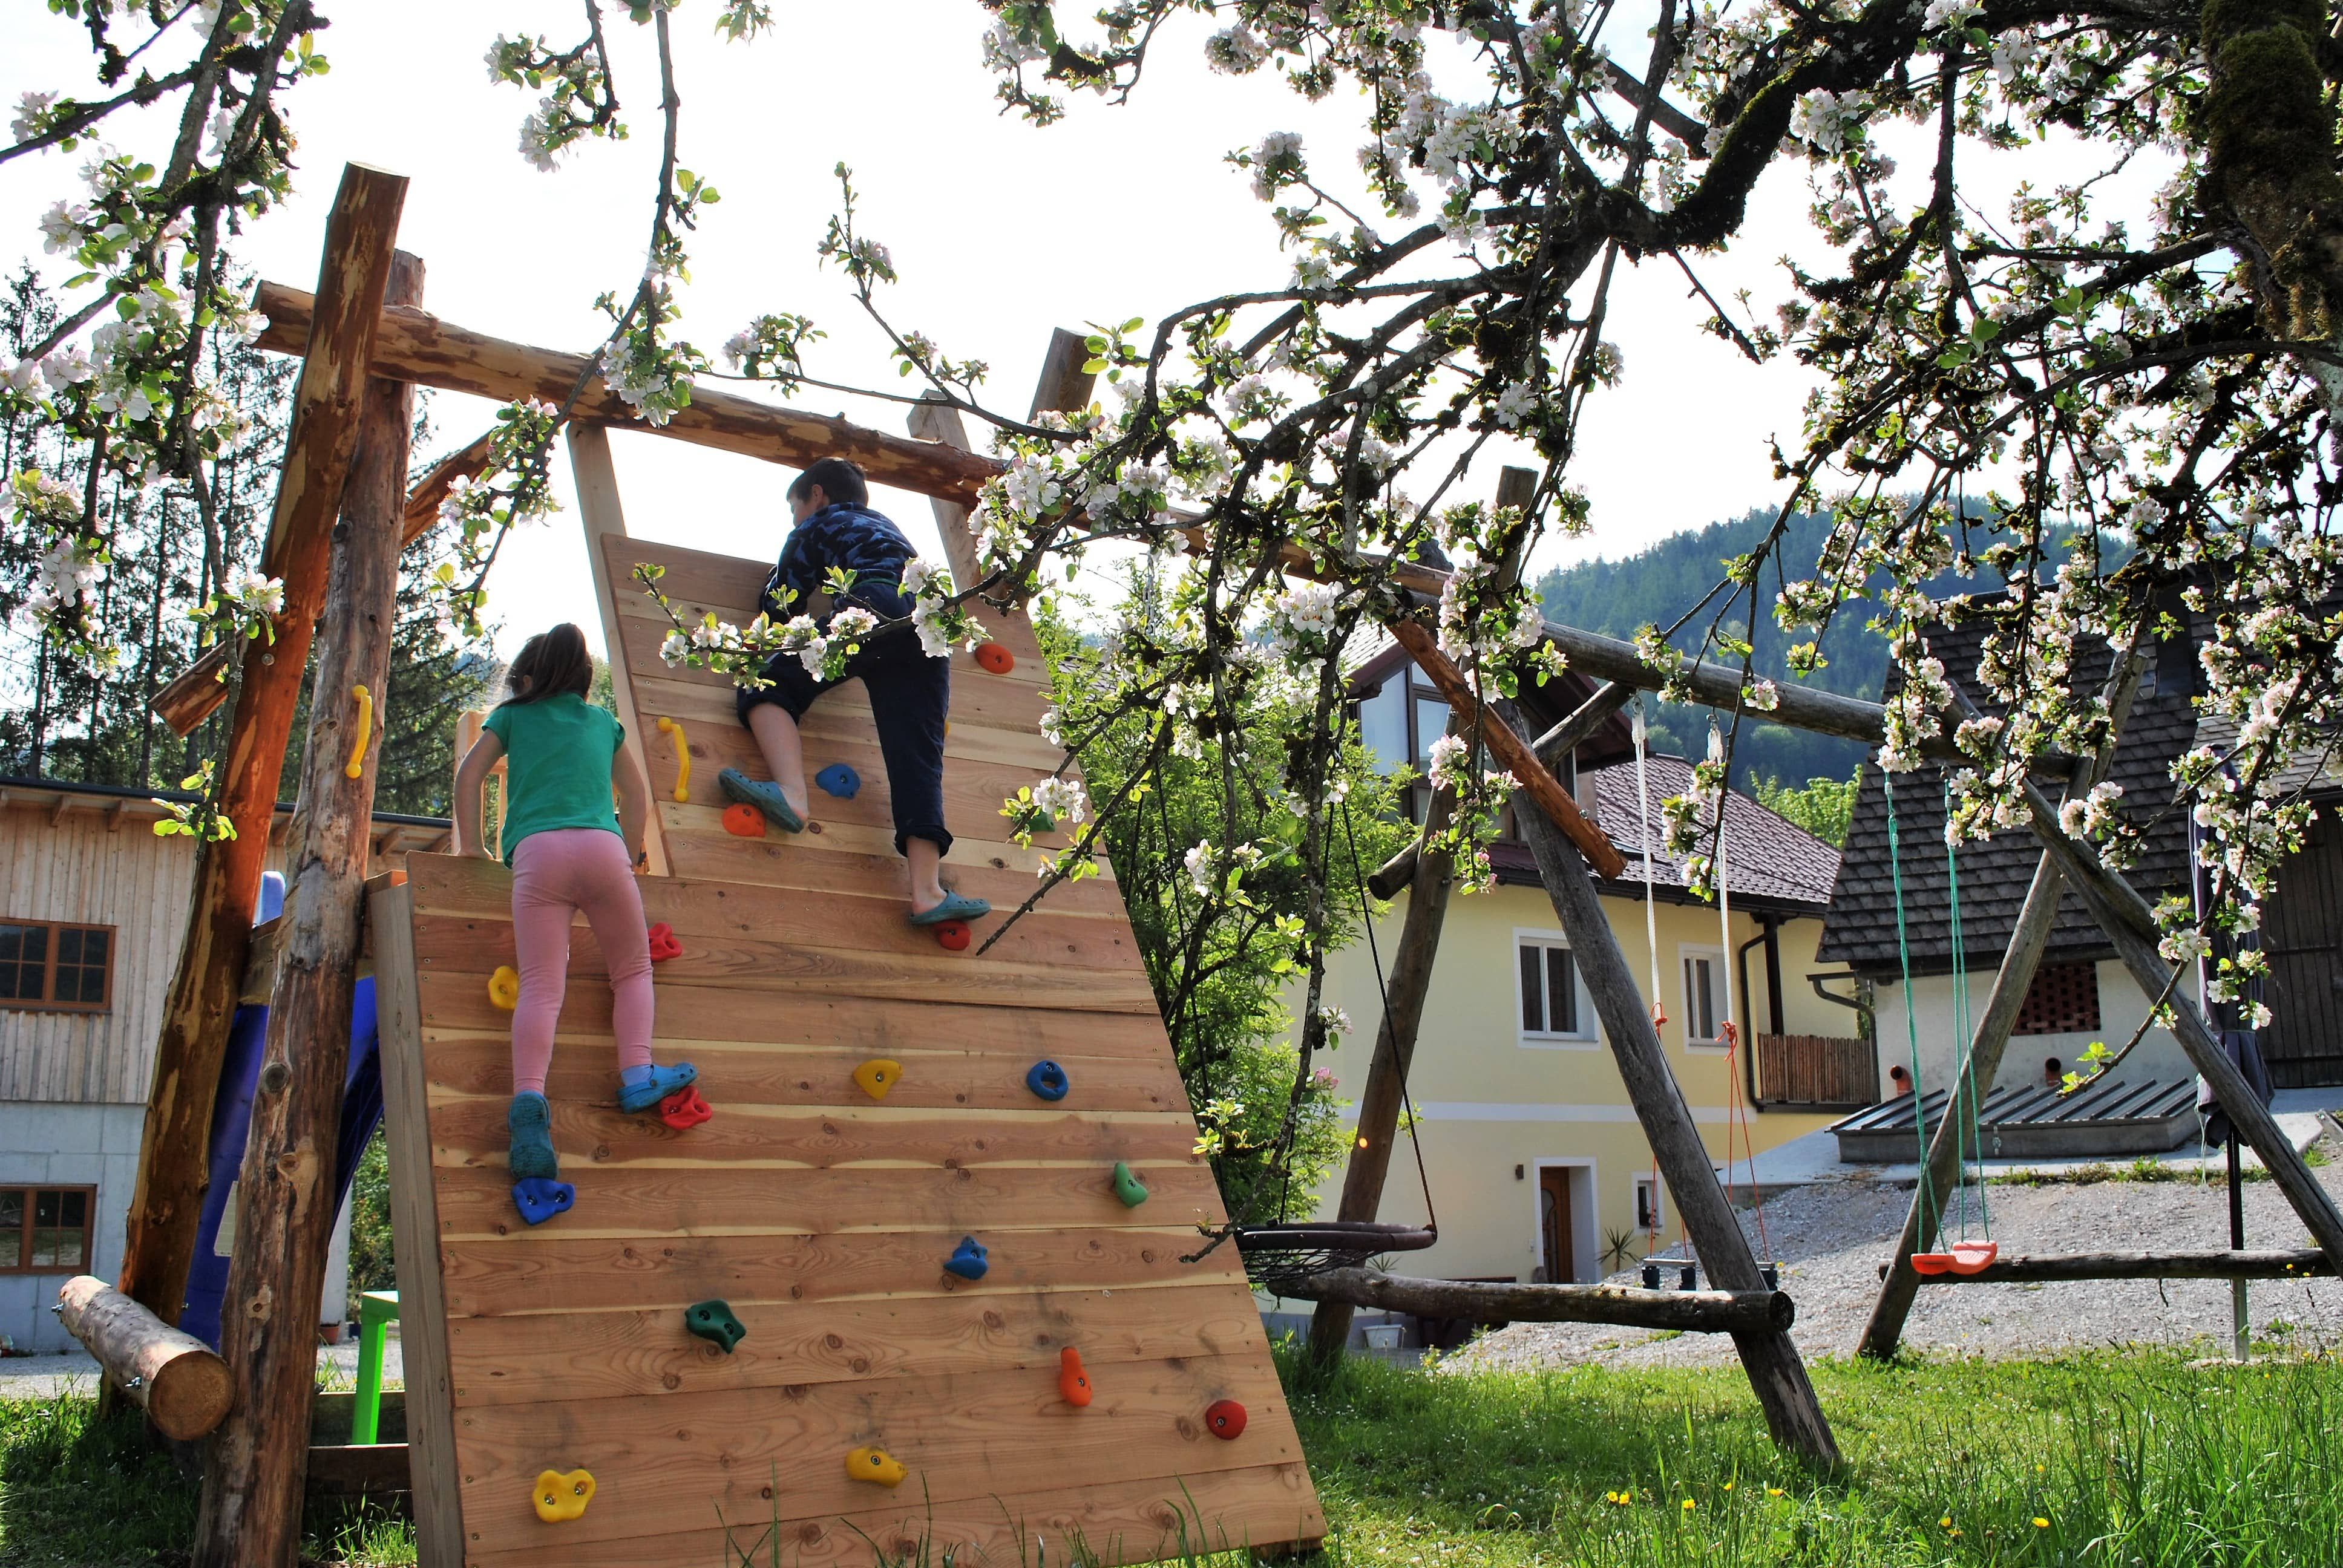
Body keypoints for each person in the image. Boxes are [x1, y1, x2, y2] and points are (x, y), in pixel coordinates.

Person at [454, 624, 696, 1212]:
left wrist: (472, 848)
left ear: (527, 678)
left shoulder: (512, 717)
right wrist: (632, 852)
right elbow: (635, 796)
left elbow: (469, 775)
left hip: (537, 854)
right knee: (632, 970)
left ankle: (529, 1101)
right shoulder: (602, 723)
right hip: (601, 849)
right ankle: (637, 1074)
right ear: (585, 681)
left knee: (542, 986)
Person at [718, 456, 991, 926]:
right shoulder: (885, 527)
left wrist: (774, 600)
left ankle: (791, 793)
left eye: (794, 508)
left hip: (874, 604)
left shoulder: (822, 522)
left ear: (817, 495)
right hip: (931, 625)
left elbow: (781, 602)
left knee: (765, 678)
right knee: (918, 756)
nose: (795, 519)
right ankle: (927, 892)